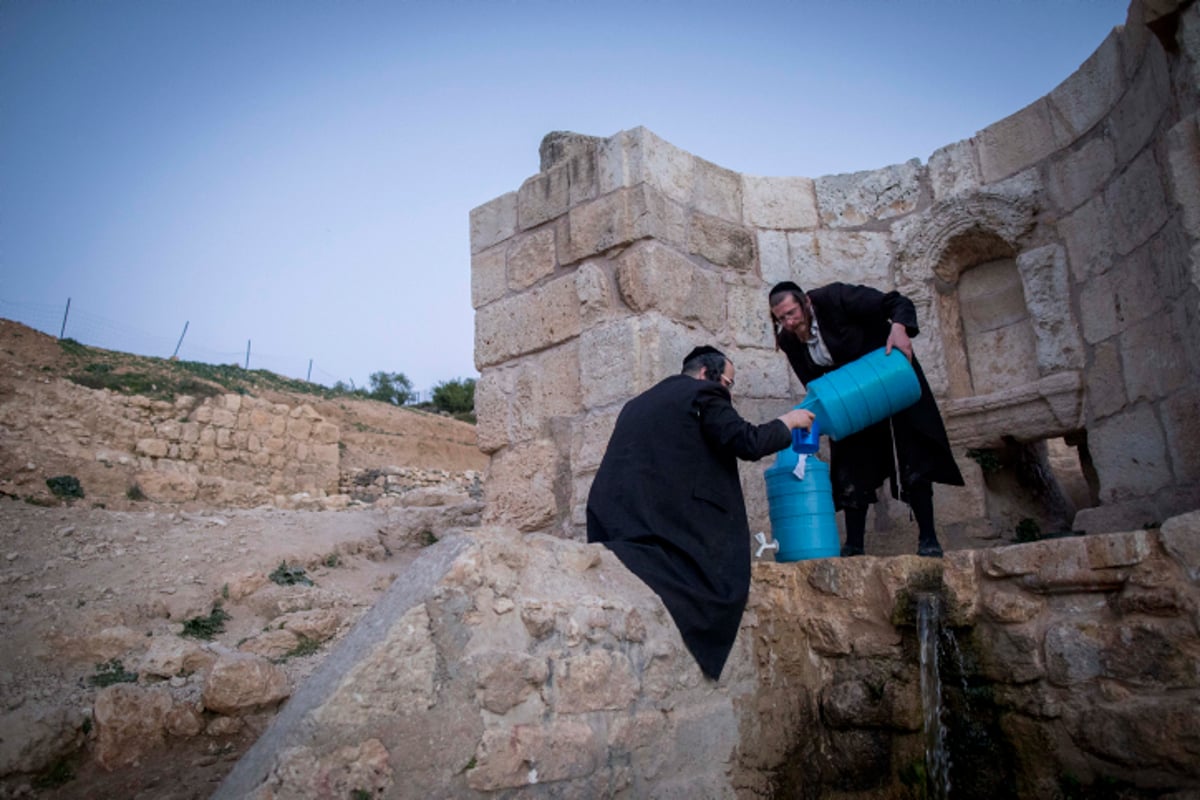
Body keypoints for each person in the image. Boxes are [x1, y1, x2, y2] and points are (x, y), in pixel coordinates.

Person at [586, 345, 814, 680]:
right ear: (708, 374)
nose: (728, 393)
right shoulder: (704, 392)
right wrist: (787, 422)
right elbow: (745, 441)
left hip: (617, 522)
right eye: (729, 383)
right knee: (718, 581)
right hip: (668, 524)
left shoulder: (639, 403)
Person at [767, 280, 964, 558]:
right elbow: (814, 384)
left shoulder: (835, 298)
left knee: (912, 454)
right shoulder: (788, 339)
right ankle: (854, 545)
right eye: (781, 318)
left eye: (791, 313)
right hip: (850, 396)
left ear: (805, 302)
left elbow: (896, 302)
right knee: (849, 460)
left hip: (890, 377)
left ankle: (928, 538)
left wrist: (899, 330)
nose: (788, 322)